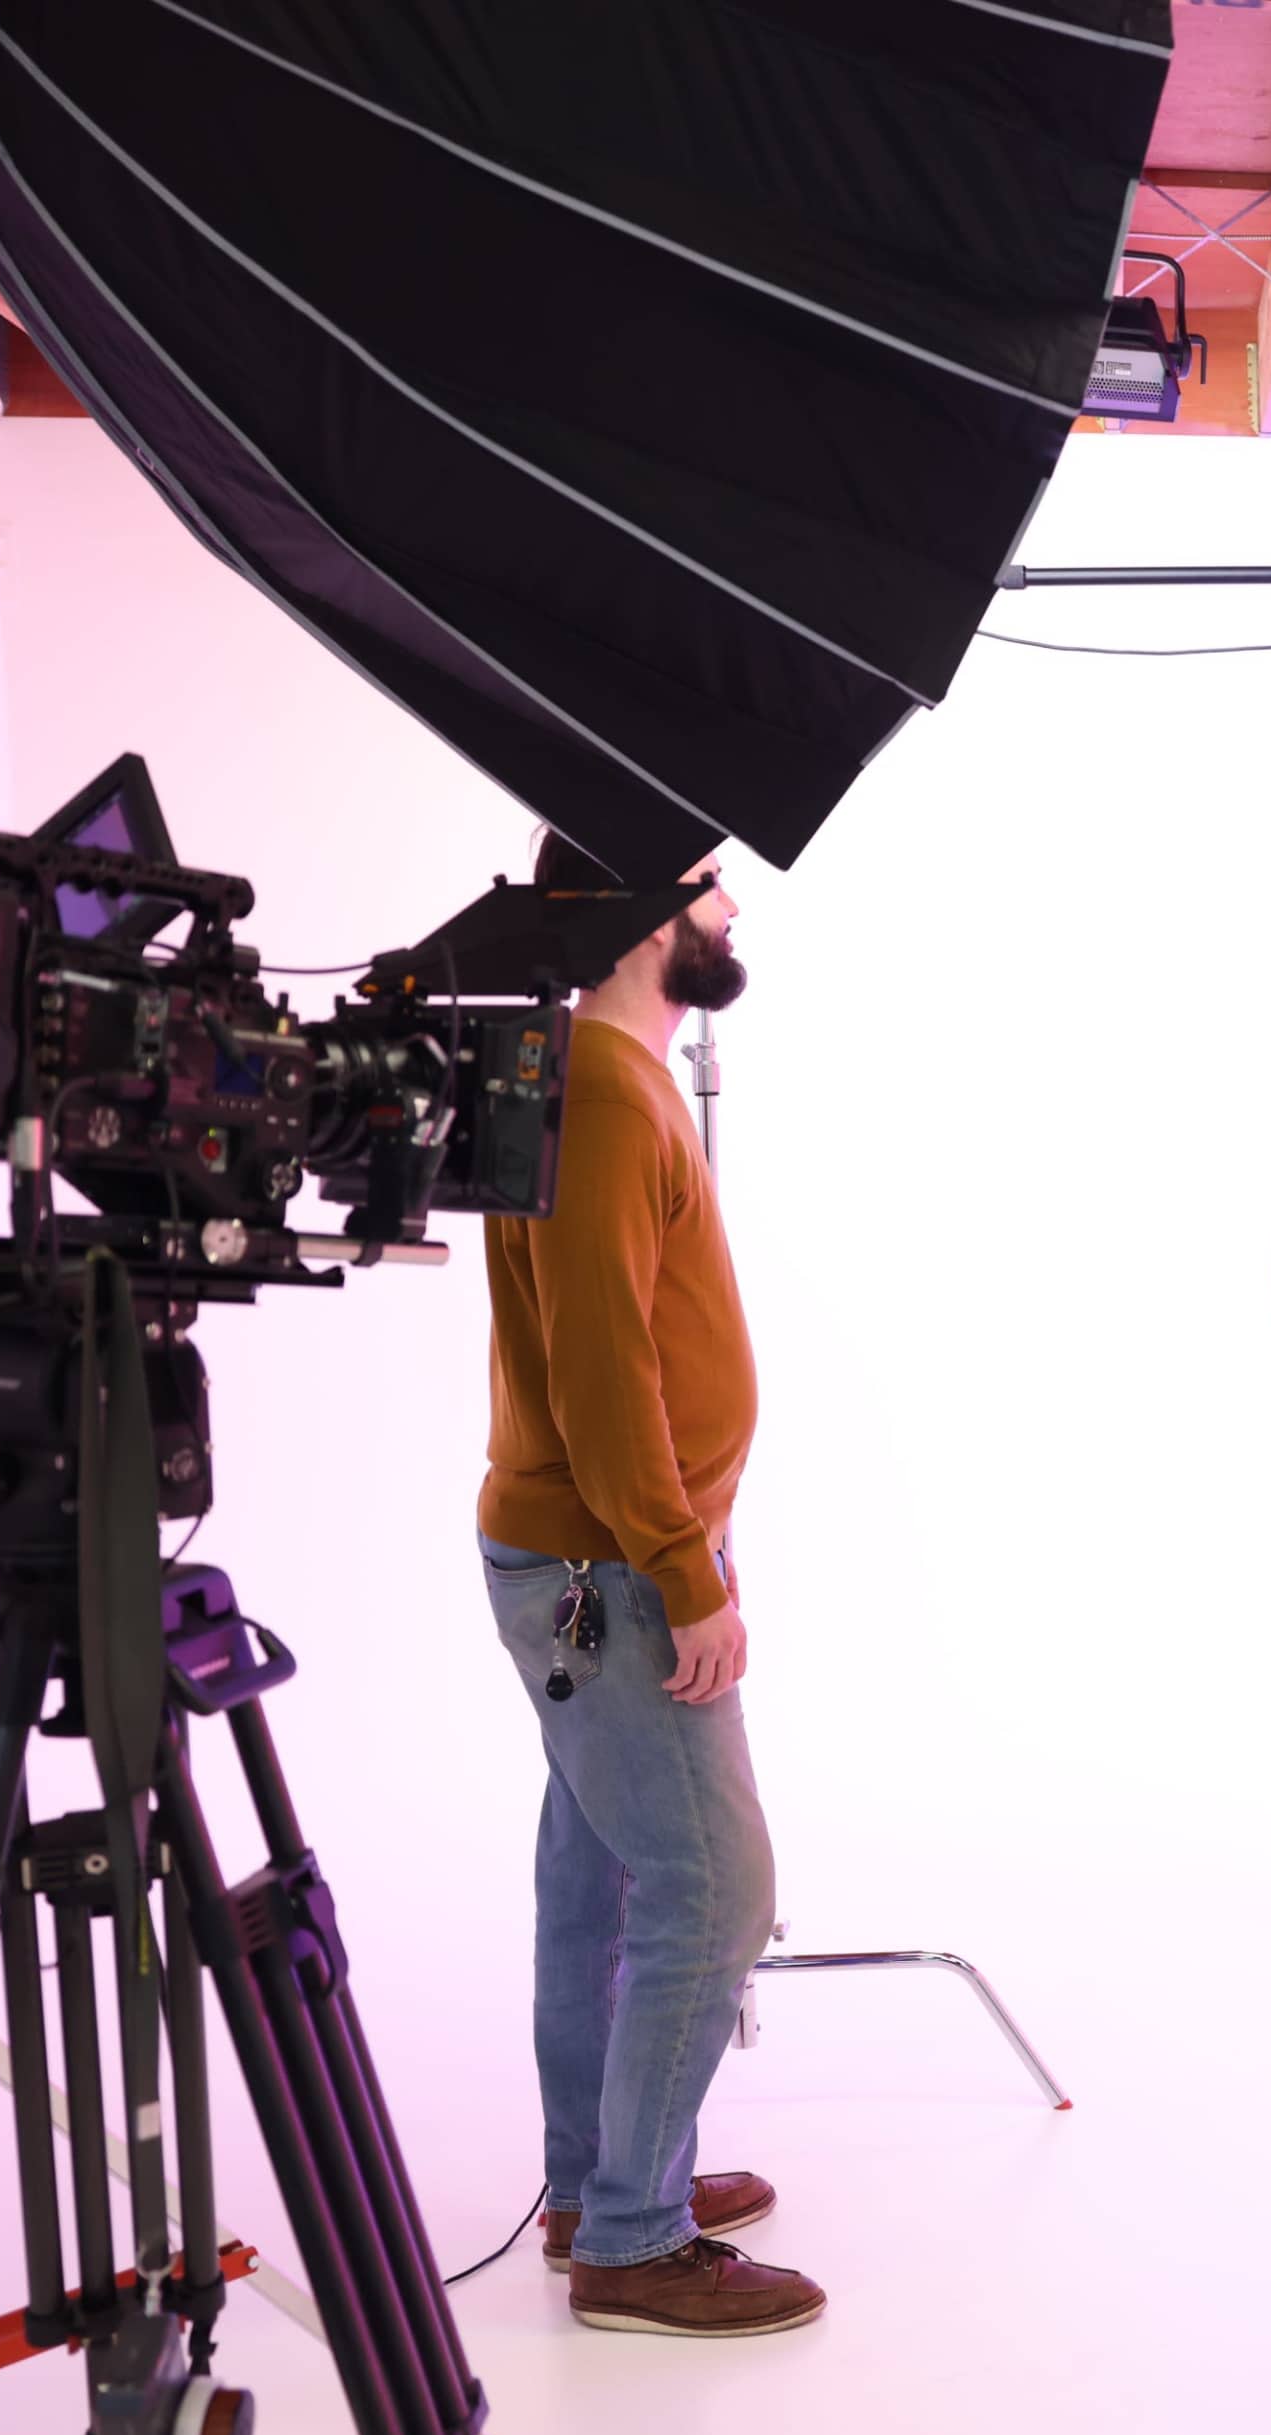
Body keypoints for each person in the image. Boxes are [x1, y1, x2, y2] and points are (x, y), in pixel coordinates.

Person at [473, 828, 817, 2335]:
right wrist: (685, 1573)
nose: (731, 905)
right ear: (632, 911)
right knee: (714, 1886)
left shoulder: (589, 1072)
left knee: (602, 1870)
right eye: (703, 882)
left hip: (598, 1542)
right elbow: (601, 1367)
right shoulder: (605, 1091)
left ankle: (597, 2179)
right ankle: (631, 2236)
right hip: (613, 1555)